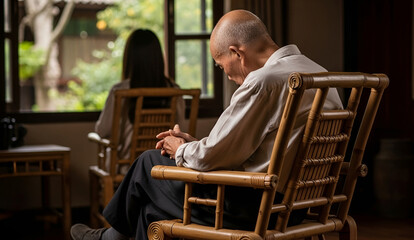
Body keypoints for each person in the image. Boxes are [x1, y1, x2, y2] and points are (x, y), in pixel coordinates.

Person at [71, 10, 343, 240]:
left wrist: (179, 148)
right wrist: (194, 145)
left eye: (222, 66)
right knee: (149, 213)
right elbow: (246, 148)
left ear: (237, 53)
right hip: (299, 206)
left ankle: (108, 237)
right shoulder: (317, 73)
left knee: (148, 163)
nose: (227, 76)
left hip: (255, 208)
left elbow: (210, 157)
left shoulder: (264, 81)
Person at [94, 29, 185, 174]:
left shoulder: (120, 91)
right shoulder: (175, 90)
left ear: (129, 58)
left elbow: (103, 131)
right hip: (164, 166)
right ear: (158, 58)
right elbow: (181, 130)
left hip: (127, 168)